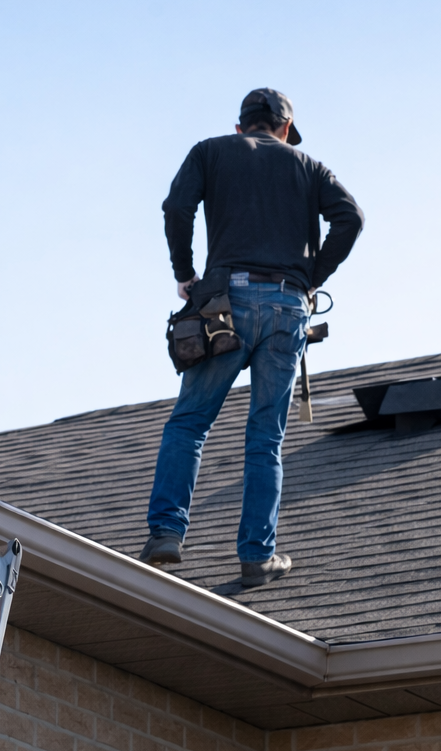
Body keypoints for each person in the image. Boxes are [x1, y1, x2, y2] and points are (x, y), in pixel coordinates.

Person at [141, 89, 364, 586]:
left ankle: (166, 535)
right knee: (266, 438)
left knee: (189, 424)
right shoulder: (310, 166)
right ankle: (257, 557)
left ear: (241, 127)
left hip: (225, 305)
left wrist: (185, 271)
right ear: (285, 129)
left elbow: (177, 207)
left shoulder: (211, 150)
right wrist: (312, 276)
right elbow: (352, 218)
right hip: (288, 308)